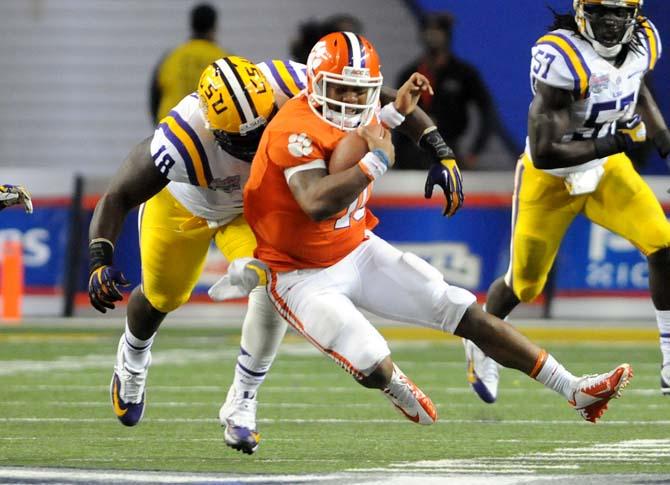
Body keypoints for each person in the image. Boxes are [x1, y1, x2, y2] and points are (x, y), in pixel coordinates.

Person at [232, 31, 632, 433]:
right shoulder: (293, 128)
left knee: (459, 307)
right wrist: (377, 163)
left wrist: (439, 149)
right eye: (341, 89)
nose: (352, 101)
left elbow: (399, 110)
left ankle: (574, 389)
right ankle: (395, 385)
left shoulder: (368, 104)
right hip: (298, 273)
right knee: (370, 361)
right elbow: (316, 202)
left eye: (360, 91)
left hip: (355, 247)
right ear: (316, 83)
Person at [89, 49, 464, 455]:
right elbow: (118, 195)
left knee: (275, 280)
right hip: (186, 207)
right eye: (243, 139)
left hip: (255, 209)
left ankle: (242, 401)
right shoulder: (182, 138)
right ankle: (133, 357)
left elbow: (380, 98)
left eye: (264, 126)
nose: (259, 142)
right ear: (216, 131)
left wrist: (438, 147)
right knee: (164, 296)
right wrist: (99, 260)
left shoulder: (292, 81)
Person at [463, 0, 670, 404]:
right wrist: (615, 140)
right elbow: (544, 151)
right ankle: (480, 336)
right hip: (551, 179)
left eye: (619, 13)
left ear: (634, 16)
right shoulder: (562, 58)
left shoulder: (644, 41)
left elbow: (635, 82)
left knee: (663, 244)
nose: (610, 22)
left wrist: (662, 135)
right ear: (580, 11)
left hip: (607, 170)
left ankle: (669, 353)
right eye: (599, 11)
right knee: (523, 284)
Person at [394, 14, 499, 170]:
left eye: (437, 31)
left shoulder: (463, 73)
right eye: (428, 31)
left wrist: (475, 151)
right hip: (410, 153)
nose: (432, 36)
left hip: (449, 148)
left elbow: (487, 110)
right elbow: (395, 113)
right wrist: (395, 152)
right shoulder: (410, 74)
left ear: (447, 35)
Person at [149, 3, 230, 125]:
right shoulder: (224, 60)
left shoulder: (171, 57)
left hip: (171, 129)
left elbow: (155, 98)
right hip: (209, 133)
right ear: (214, 27)